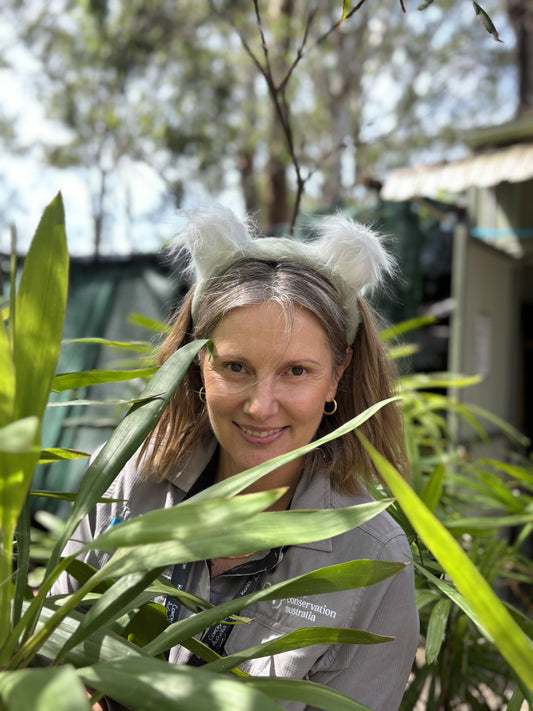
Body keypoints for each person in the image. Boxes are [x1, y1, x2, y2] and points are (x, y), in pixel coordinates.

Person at [53, 206, 419, 711]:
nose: (261, 405)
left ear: (337, 375)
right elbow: (54, 659)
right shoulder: (122, 483)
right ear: (198, 360)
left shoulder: (375, 559)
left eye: (296, 371)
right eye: (236, 366)